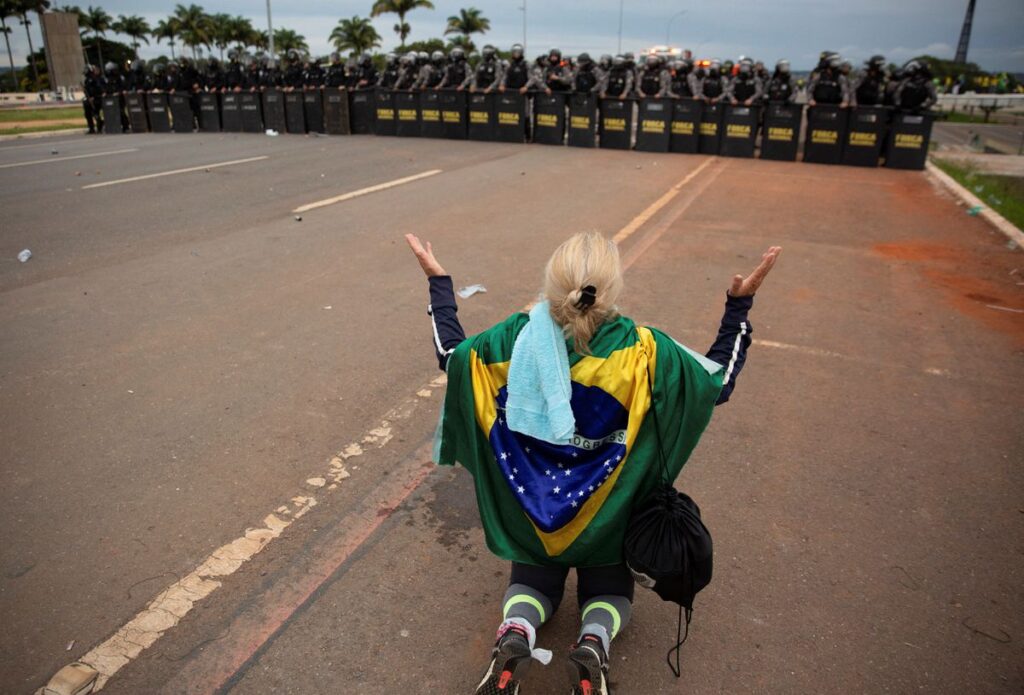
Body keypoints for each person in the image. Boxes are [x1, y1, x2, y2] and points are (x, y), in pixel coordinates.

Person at [405, 231, 781, 695]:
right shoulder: (645, 352)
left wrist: (439, 284)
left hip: (531, 523)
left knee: (531, 586)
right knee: (609, 593)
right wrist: (738, 307)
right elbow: (715, 382)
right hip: (609, 524)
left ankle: (516, 631)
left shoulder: (511, 342)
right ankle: (593, 643)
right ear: (611, 290)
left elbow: (453, 356)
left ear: (550, 283)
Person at [82, 64, 104, 134]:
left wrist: (94, 96)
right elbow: (87, 90)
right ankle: (91, 128)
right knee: (88, 114)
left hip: (96, 99)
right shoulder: (87, 80)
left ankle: (100, 126)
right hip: (89, 99)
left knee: (95, 113)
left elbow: (98, 89)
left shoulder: (95, 78)